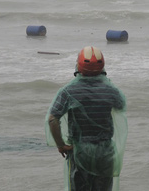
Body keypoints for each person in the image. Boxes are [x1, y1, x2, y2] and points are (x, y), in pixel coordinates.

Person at [46, 46, 127, 191]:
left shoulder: (68, 91)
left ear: (79, 66)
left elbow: (53, 119)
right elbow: (120, 105)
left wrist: (61, 145)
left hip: (80, 153)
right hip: (105, 154)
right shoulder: (111, 91)